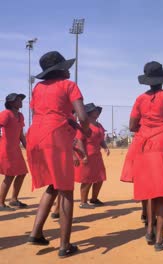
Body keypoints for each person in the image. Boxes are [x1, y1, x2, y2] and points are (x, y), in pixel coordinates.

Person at [27, 51, 90, 257]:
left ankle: (36, 233)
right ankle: (64, 246)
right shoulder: (69, 85)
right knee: (66, 191)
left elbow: (47, 114)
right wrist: (85, 130)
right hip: (54, 137)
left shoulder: (38, 88)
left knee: (54, 185)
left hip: (36, 135)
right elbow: (81, 115)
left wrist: (71, 129)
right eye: (66, 66)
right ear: (60, 69)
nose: (68, 69)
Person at [123, 61, 163, 251]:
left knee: (149, 190)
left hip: (143, 144)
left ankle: (149, 229)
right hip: (161, 144)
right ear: (161, 79)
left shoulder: (140, 98)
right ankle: (159, 239)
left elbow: (133, 125)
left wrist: (147, 127)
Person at [74, 103, 110, 209]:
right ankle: (83, 202)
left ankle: (94, 199)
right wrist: (83, 155)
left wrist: (105, 147)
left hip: (96, 156)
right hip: (86, 155)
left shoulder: (99, 125)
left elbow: (101, 139)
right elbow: (79, 140)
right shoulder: (83, 125)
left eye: (97, 111)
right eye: (95, 111)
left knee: (100, 177)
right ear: (89, 113)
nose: (98, 112)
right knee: (87, 179)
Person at [0, 93, 28, 211]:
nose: (21, 101)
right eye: (18, 100)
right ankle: (1, 203)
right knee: (9, 176)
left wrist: (27, 147)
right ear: (11, 103)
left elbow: (21, 134)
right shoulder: (6, 114)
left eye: (21, 99)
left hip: (16, 150)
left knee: (22, 173)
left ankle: (13, 200)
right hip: (6, 149)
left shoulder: (20, 116)